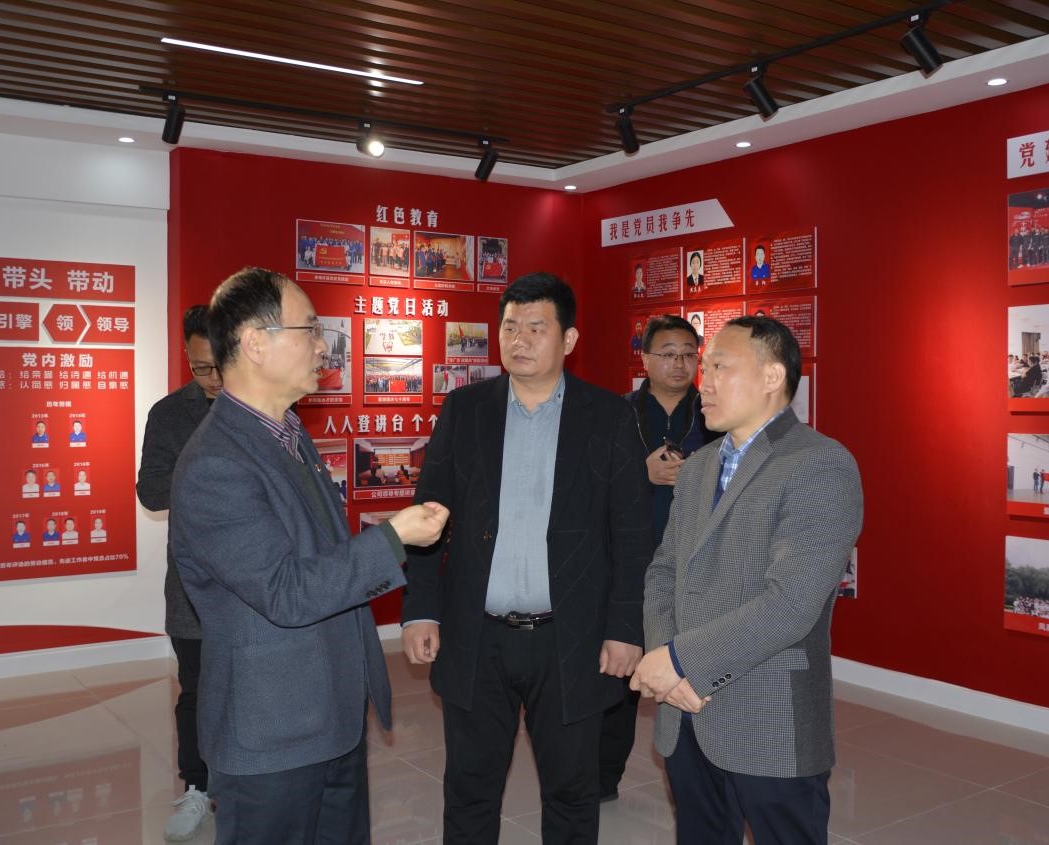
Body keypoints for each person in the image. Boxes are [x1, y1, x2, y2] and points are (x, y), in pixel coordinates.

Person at [170, 267, 448, 845]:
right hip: (272, 732)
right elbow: (286, 592)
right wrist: (392, 538)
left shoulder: (288, 434)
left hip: (330, 717)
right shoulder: (216, 462)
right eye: (310, 329)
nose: (324, 346)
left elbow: (323, 560)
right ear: (254, 342)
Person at [402, 272, 653, 844]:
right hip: (477, 634)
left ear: (569, 339)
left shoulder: (609, 416)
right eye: (510, 326)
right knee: (469, 789)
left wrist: (625, 628)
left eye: (536, 328)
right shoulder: (466, 409)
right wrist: (422, 609)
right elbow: (426, 518)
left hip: (571, 637)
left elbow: (633, 534)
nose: (519, 339)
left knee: (571, 792)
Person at [631, 316, 863, 845]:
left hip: (768, 716)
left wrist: (680, 661)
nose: (703, 382)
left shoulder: (820, 464)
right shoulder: (698, 466)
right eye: (705, 368)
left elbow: (791, 604)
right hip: (685, 714)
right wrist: (669, 664)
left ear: (771, 376)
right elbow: (664, 572)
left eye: (719, 367)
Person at [599, 315, 722, 801]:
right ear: (645, 359)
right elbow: (587, 483)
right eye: (668, 354)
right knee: (618, 674)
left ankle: (701, 781)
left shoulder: (716, 413)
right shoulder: (615, 414)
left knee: (693, 671)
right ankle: (602, 779)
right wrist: (640, 474)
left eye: (689, 354)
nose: (679, 363)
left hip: (696, 566)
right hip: (627, 562)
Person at [136, 304, 225, 841]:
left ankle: (243, 784)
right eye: (199, 367)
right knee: (195, 689)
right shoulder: (170, 414)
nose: (211, 378)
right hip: (193, 584)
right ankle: (196, 785)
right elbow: (150, 490)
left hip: (259, 583)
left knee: (252, 688)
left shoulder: (269, 411)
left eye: (219, 365)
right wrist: (210, 472)